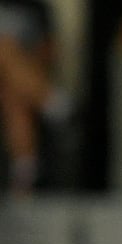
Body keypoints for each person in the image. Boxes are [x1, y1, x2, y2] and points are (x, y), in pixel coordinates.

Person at [0, 0, 70, 196]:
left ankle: (24, 176)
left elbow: (49, 48)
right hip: (18, 75)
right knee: (3, 48)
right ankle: (53, 102)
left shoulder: (35, 8)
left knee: (13, 97)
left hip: (18, 79)